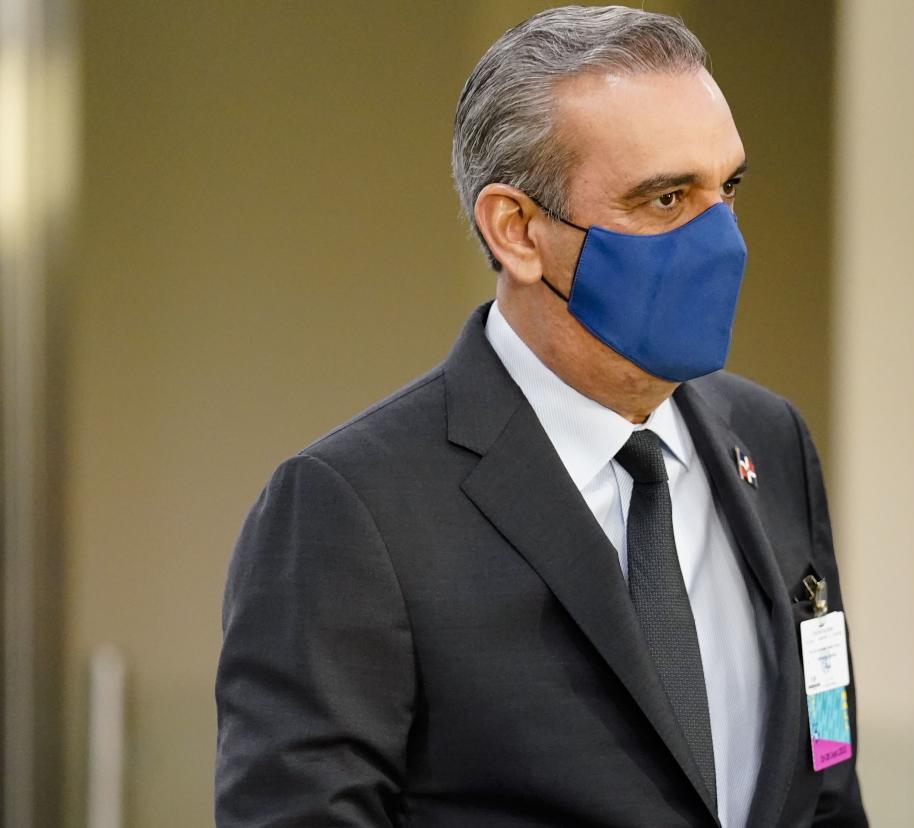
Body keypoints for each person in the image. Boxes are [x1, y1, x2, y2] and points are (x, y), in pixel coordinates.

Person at [214, 6, 866, 826]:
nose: (721, 241)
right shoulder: (354, 509)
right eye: (665, 198)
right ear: (517, 230)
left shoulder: (769, 443)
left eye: (725, 188)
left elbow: (827, 775)